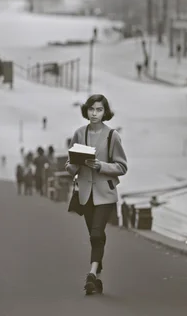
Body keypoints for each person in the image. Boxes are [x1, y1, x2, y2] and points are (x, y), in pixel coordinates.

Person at [65, 94, 128, 295]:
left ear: (105, 112)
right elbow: (69, 165)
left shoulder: (112, 136)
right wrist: (75, 166)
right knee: (94, 236)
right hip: (85, 193)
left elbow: (122, 166)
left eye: (99, 110)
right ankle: (97, 271)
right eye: (91, 109)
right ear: (86, 110)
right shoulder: (79, 134)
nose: (94, 113)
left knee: (96, 233)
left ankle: (91, 275)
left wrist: (101, 165)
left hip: (105, 193)